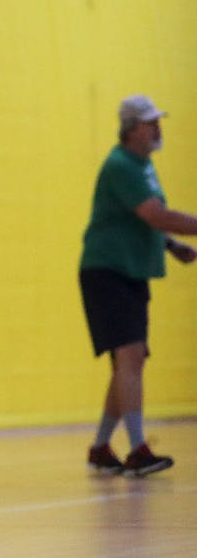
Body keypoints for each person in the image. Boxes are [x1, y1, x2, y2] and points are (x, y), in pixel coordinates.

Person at [80, 95, 196, 478]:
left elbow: (140, 221)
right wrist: (177, 230)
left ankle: (100, 447)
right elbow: (157, 214)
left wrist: (170, 244)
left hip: (129, 271)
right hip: (107, 271)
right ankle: (137, 448)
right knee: (130, 358)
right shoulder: (121, 166)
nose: (158, 128)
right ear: (131, 129)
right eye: (150, 123)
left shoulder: (142, 166)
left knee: (128, 362)